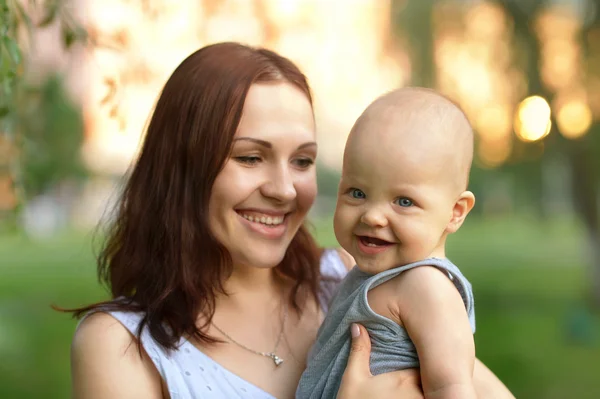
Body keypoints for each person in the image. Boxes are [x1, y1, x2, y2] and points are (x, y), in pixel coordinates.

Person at [69, 43, 511, 399]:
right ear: (181, 167)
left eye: (302, 161)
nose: (284, 189)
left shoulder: (349, 280)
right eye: (250, 157)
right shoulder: (121, 346)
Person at [297, 88, 513, 399]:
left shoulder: (427, 287)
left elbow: (451, 388)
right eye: (357, 193)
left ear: (455, 212)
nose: (372, 216)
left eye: (403, 201)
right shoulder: (371, 276)